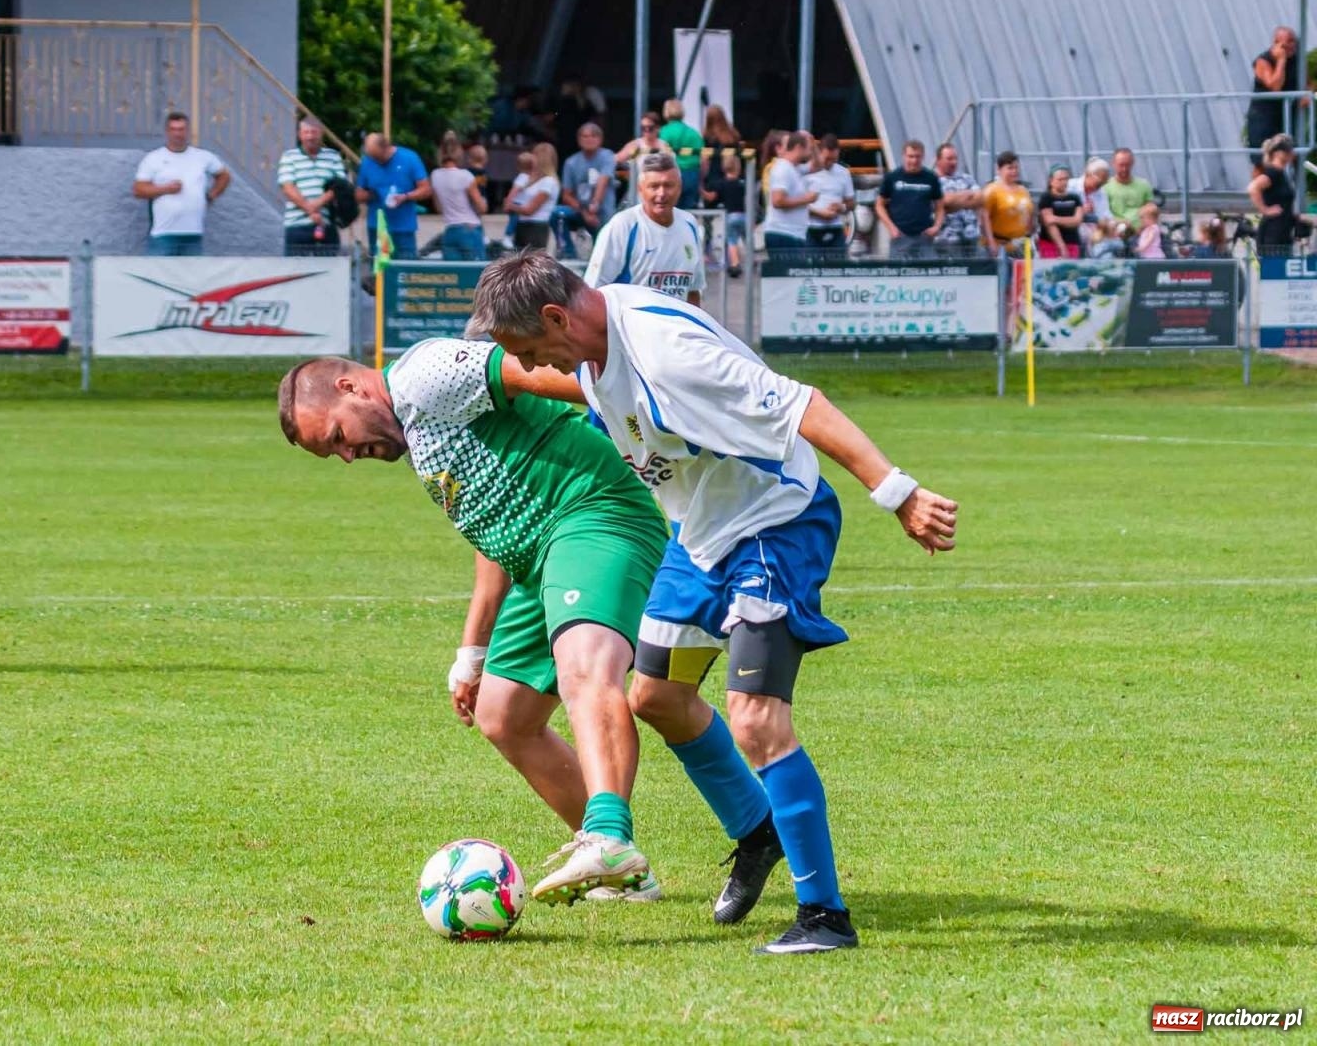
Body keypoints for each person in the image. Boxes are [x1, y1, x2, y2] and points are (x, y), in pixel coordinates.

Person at [469, 251, 958, 955]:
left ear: (556, 318)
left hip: (773, 524)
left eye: (531, 352)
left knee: (757, 719)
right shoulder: (592, 345)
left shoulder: (669, 355)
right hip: (698, 536)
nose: (534, 367)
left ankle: (824, 918)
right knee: (656, 696)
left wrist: (897, 493)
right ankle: (759, 832)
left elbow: (801, 403)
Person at [277, 342, 669, 905]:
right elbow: (491, 525)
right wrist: (472, 653)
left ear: (351, 388)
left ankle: (609, 837)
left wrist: (649, 409)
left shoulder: (423, 376)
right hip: (538, 553)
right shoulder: (418, 436)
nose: (347, 456)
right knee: (503, 715)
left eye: (337, 438)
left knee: (584, 668)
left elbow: (533, 373)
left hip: (589, 513)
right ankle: (622, 872)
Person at [584, 151, 704, 306]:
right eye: (654, 186)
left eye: (668, 186)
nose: (661, 193)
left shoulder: (690, 225)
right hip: (632, 329)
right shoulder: (623, 226)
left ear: (679, 187)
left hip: (676, 328)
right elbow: (592, 293)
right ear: (641, 189)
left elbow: (693, 291)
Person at [131, 112, 230, 257]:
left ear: (188, 131)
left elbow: (224, 176)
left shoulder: (203, 156)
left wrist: (211, 196)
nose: (178, 134)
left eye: (181, 129)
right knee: (156, 276)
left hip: (193, 234)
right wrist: (165, 189)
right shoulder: (153, 158)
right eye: (174, 129)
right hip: (163, 234)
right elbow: (138, 190)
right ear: (167, 132)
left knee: (193, 279)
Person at [276, 117, 347, 257]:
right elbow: (287, 187)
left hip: (326, 225)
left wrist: (316, 204)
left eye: (314, 132)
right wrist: (311, 210)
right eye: (306, 132)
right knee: (294, 273)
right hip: (296, 225)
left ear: (321, 134)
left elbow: (340, 186)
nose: (310, 136)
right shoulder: (289, 156)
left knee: (329, 272)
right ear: (300, 134)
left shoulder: (333, 156)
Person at [356, 132, 430, 261]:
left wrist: (406, 197)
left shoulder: (409, 158)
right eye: (373, 157)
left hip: (403, 228)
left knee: (405, 271)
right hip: (377, 228)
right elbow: (358, 195)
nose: (376, 161)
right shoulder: (367, 162)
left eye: (378, 157)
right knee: (380, 273)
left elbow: (426, 189)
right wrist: (372, 194)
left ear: (386, 147)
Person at [552, 123, 618, 260]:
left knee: (602, 255)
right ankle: (569, 254)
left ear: (600, 139)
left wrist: (595, 206)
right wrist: (585, 212)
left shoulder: (607, 156)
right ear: (579, 139)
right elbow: (566, 195)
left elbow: (603, 182)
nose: (589, 139)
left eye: (594, 136)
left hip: (602, 213)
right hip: (581, 211)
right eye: (585, 136)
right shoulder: (571, 162)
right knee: (556, 213)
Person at [875, 140, 944, 258]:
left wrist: (937, 226)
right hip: (900, 236)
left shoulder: (931, 178)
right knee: (899, 273)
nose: (914, 160)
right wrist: (891, 228)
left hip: (924, 236)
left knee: (931, 273)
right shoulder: (892, 177)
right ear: (904, 156)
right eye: (911, 156)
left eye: (918, 157)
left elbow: (940, 206)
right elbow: (879, 205)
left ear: (922, 157)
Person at [429, 132, 486, 261]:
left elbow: (439, 208)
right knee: (476, 274)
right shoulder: (466, 176)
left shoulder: (435, 175)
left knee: (453, 275)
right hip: (470, 228)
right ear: (459, 153)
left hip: (450, 229)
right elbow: (481, 207)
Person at [1249, 133, 1310, 252]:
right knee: (1275, 267)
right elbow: (1253, 188)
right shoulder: (1273, 172)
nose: (1291, 153)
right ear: (1277, 153)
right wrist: (1265, 209)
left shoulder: (1282, 174)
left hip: (1283, 232)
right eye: (1287, 151)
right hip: (1273, 233)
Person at [1247, 26, 1300, 159]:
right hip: (1263, 117)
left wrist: (1306, 95)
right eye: (1287, 42)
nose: (1291, 45)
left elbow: (1308, 82)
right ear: (1277, 43)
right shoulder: (1263, 60)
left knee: (1291, 156)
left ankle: (1290, 180)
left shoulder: (1297, 60)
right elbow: (1275, 86)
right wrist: (1281, 60)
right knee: (1262, 161)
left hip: (1286, 116)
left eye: (1293, 41)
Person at [763, 131, 816, 255]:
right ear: (799, 148)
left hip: (795, 234)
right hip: (783, 233)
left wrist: (813, 144)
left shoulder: (795, 168)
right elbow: (777, 201)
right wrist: (806, 199)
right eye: (809, 148)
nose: (810, 152)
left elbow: (817, 166)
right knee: (787, 273)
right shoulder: (782, 169)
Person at [803, 133, 855, 258]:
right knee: (810, 272)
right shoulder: (806, 172)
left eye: (834, 159)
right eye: (827, 159)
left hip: (836, 228)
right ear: (819, 152)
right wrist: (819, 213)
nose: (830, 163)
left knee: (837, 271)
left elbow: (851, 203)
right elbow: (797, 205)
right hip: (811, 229)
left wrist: (840, 207)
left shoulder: (843, 173)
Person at [503, 142, 558, 252]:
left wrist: (512, 206)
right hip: (522, 225)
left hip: (536, 227)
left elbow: (530, 210)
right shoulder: (528, 178)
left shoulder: (548, 182)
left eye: (534, 154)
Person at [934, 143, 983, 256]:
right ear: (938, 160)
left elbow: (980, 198)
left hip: (972, 238)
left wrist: (954, 201)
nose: (954, 162)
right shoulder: (933, 181)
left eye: (955, 158)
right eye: (949, 159)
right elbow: (944, 201)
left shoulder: (966, 178)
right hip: (947, 239)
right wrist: (967, 198)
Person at [982, 150, 1033, 255]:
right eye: (1010, 168)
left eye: (1016, 167)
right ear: (999, 169)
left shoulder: (1024, 190)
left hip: (1020, 244)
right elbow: (984, 217)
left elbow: (1029, 214)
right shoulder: (991, 190)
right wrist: (991, 242)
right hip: (1000, 245)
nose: (1014, 171)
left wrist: (1028, 237)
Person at [658, 98, 704, 209]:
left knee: (670, 210)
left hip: (672, 174)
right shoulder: (694, 133)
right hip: (692, 174)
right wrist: (701, 179)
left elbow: (660, 157)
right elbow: (704, 158)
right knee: (689, 212)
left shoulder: (663, 132)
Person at [712, 153, 751, 278]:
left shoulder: (722, 184)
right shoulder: (743, 184)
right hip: (744, 215)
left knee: (732, 240)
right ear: (738, 168)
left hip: (730, 216)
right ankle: (751, 261)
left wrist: (701, 189)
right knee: (747, 240)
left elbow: (713, 197)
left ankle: (735, 263)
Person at [1036, 164, 1083, 258]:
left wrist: (1055, 218)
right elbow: (1049, 222)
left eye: (1066, 179)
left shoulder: (1075, 198)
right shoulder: (1046, 198)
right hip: (1050, 244)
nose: (1064, 182)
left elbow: (1077, 220)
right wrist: (1062, 247)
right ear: (1051, 181)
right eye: (1060, 179)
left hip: (1072, 242)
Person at [1066, 157, 1112, 252]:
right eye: (1100, 181)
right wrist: (1081, 211)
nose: (1102, 185)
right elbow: (1059, 212)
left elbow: (1105, 215)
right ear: (1088, 174)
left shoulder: (1101, 192)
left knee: (1115, 241)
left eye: (1104, 182)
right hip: (1072, 227)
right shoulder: (1069, 187)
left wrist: (1111, 224)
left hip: (1094, 230)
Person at [699, 104, 743, 201]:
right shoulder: (733, 135)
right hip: (732, 174)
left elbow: (705, 159)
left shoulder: (708, 137)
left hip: (714, 175)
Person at [1105, 148, 1153, 230]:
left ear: (1132, 163)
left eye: (1127, 165)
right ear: (1113, 164)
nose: (1124, 169)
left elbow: (1151, 211)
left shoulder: (1144, 185)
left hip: (1141, 230)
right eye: (1121, 165)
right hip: (1116, 230)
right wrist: (1121, 222)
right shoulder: (1105, 187)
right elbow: (1104, 215)